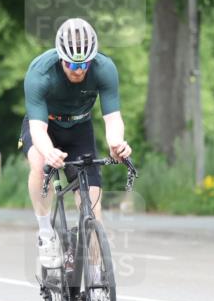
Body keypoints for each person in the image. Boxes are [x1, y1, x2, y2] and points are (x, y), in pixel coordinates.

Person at [19, 17, 132, 277]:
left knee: (92, 205)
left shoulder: (105, 69)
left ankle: (94, 276)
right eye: (71, 63)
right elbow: (37, 129)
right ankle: (46, 233)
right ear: (60, 57)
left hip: (80, 127)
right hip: (45, 125)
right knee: (39, 164)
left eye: (84, 64)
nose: (78, 70)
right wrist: (49, 152)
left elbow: (113, 118)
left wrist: (116, 143)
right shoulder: (40, 73)